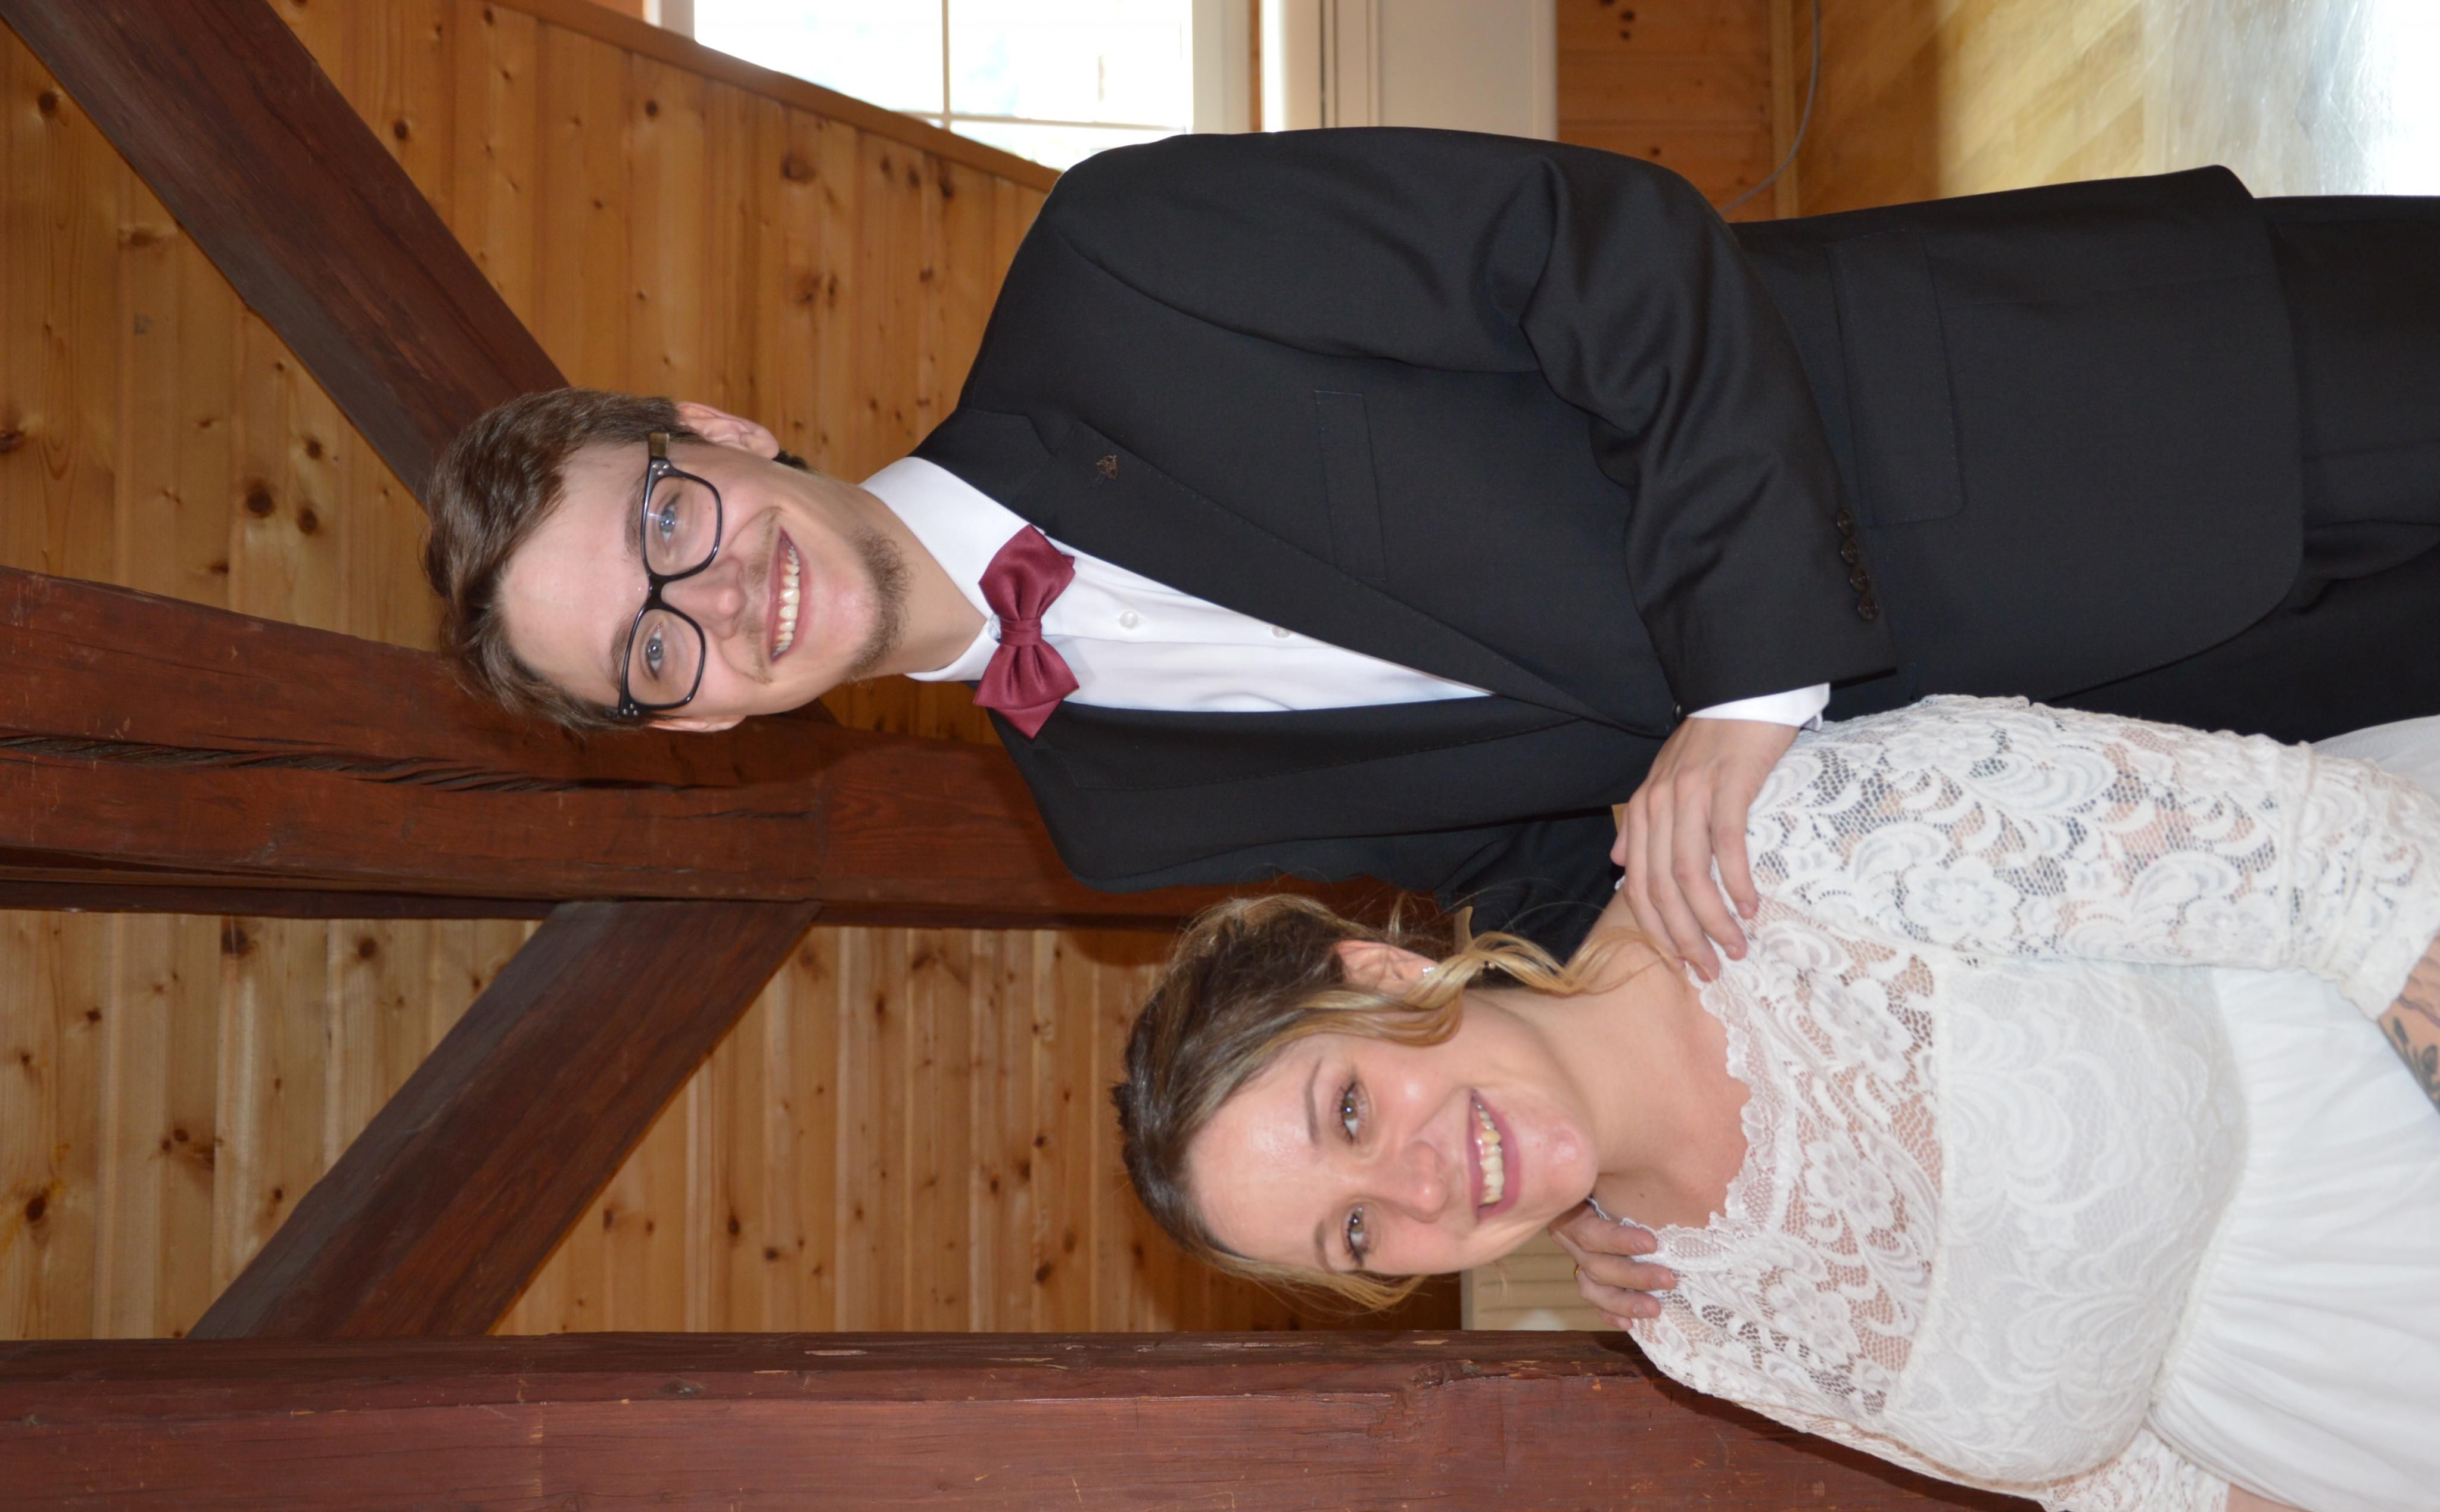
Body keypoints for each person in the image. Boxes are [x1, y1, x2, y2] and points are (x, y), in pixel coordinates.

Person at [422, 129, 2440, 974]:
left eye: (665, 522)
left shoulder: (1117, 274)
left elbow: (1606, 248)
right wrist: (1599, 1055)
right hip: (2130, 720)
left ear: (714, 430)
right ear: (695, 729)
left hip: (2114, 394)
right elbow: (1542, 850)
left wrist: (1747, 687)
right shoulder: (1109, 821)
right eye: (656, 653)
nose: (720, 599)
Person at [1112, 696, 2440, 1512]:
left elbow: (2335, 858)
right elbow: (2128, 1492)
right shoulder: (1686, 1324)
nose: (1415, 1187)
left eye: (1348, 1111)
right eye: (1355, 1234)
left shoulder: (1787, 841)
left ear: (1386, 977)